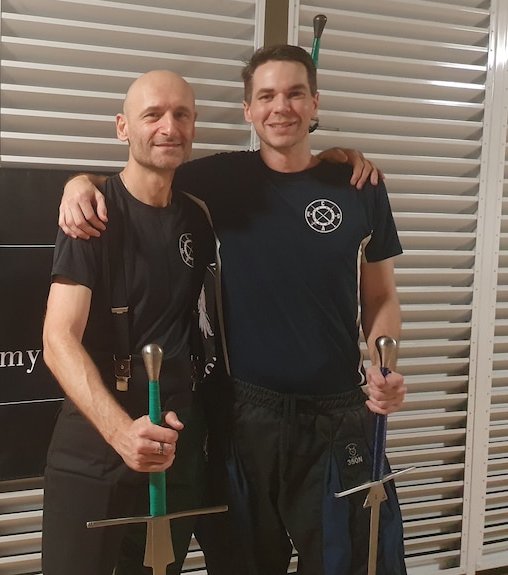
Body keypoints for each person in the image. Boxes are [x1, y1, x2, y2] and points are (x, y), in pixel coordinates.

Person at [57, 45, 408, 575]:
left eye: (295, 94)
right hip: (245, 418)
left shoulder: (359, 186)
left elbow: (380, 297)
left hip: (339, 419)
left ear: (315, 102)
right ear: (248, 110)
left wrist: (385, 363)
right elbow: (142, 172)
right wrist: (77, 184)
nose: (280, 108)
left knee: (357, 563)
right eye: (265, 96)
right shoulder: (215, 182)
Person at [41, 70, 217, 575]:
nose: (169, 126)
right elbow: (57, 340)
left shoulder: (198, 217)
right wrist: (122, 434)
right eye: (153, 114)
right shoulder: (91, 214)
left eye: (181, 114)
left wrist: (339, 157)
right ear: (123, 128)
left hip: (172, 438)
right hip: (95, 444)